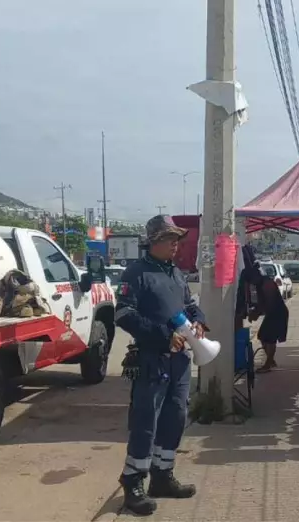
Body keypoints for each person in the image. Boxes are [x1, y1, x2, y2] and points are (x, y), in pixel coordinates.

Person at [114, 215, 206, 516]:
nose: (176, 244)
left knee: (175, 417)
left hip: (180, 361)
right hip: (152, 359)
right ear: (153, 241)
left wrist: (199, 321)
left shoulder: (177, 274)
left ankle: (162, 477)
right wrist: (163, 336)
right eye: (170, 239)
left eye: (177, 239)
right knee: (145, 423)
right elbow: (124, 315)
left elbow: (190, 305)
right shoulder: (136, 274)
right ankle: (133, 483)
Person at [253, 265, 289, 373]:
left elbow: (268, 303)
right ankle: (270, 360)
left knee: (270, 339)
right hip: (272, 313)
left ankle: (268, 364)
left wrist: (257, 312)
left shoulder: (266, 284)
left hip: (277, 313)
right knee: (262, 336)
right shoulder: (261, 284)